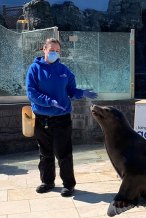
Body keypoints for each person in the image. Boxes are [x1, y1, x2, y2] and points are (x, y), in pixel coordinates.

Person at [26, 38, 97, 197]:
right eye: (51, 50)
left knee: (64, 153)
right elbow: (31, 93)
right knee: (45, 153)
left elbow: (71, 90)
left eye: (57, 51)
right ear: (44, 49)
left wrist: (82, 93)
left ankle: (69, 185)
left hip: (62, 118)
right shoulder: (35, 69)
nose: (54, 53)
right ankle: (47, 182)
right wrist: (49, 101)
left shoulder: (64, 70)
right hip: (42, 119)